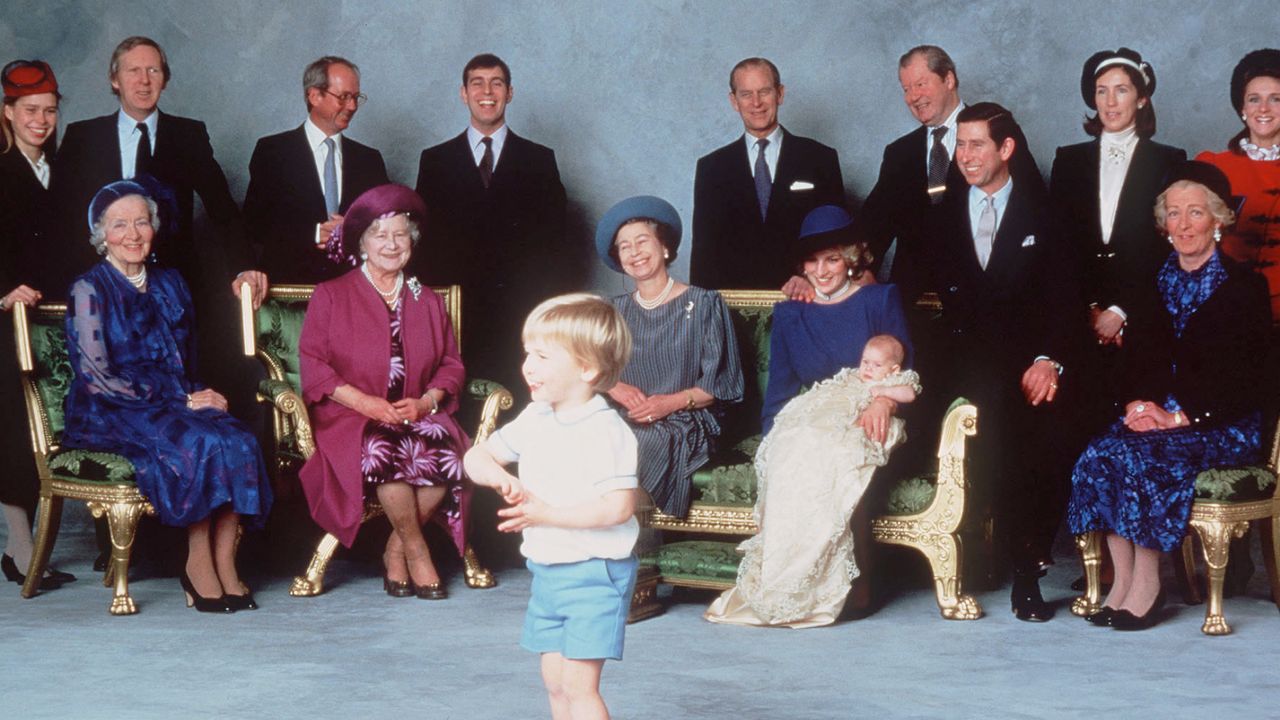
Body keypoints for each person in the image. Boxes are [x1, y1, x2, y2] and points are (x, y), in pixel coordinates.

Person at [1068, 162, 1269, 631]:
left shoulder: (1245, 288)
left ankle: (1147, 584)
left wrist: (1179, 417)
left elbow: (1246, 378)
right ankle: (1122, 583)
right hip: (1157, 417)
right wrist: (1137, 405)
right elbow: (1135, 361)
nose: (1182, 225)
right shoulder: (1152, 282)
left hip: (1223, 424)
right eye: (1173, 214)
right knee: (1100, 453)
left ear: (1218, 220)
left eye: (1194, 213)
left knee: (1142, 457)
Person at [62, 179, 272, 612]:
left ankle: (225, 561)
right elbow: (98, 377)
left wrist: (196, 394)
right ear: (102, 234)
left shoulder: (171, 282)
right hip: (111, 408)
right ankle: (197, 563)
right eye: (120, 225)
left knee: (239, 439)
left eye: (142, 222)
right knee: (201, 442)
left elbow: (185, 358)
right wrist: (183, 399)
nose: (133, 234)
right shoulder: (89, 290)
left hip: (175, 396)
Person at [930, 103, 1085, 622]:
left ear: (1006, 149)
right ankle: (983, 557)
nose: (965, 156)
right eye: (960, 145)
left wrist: (1049, 360)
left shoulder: (1048, 213)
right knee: (994, 416)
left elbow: (1067, 299)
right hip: (964, 358)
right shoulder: (940, 210)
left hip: (1030, 358)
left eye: (976, 145)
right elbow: (909, 278)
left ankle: (1028, 569)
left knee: (1050, 427)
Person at [464, 293, 637, 720]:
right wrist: (500, 475)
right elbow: (475, 457)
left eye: (542, 356)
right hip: (548, 571)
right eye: (528, 353)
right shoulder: (537, 416)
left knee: (580, 688)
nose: (528, 366)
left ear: (587, 368)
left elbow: (618, 508)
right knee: (555, 684)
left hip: (595, 572)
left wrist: (546, 515)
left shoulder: (606, 430)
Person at [298, 184, 470, 599]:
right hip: (352, 416)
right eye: (380, 235)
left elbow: (451, 364)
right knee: (384, 451)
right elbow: (313, 364)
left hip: (415, 412)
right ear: (362, 243)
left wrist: (427, 401)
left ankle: (396, 550)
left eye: (400, 235)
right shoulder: (332, 295)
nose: (391, 245)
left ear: (412, 242)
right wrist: (367, 403)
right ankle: (417, 551)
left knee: (446, 454)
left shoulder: (425, 298)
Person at [706, 334, 919, 627]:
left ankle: (814, 585)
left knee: (838, 457)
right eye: (865, 362)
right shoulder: (852, 378)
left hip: (867, 426)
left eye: (876, 364)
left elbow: (908, 394)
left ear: (893, 369)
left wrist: (880, 392)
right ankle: (782, 575)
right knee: (799, 442)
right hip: (834, 420)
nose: (867, 369)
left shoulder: (898, 381)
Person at [413, 53, 569, 394]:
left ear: (509, 93)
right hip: (458, 315)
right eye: (477, 83)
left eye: (496, 83)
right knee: (459, 411)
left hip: (522, 315)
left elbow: (559, 246)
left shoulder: (539, 160)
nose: (487, 91)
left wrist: (548, 312)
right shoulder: (435, 161)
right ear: (463, 93)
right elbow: (423, 246)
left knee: (521, 410)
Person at [1050, 48, 1186, 431]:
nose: (1110, 102)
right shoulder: (1069, 160)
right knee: (1076, 424)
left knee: (1134, 421)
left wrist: (1121, 311)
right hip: (1082, 315)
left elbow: (1167, 246)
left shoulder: (1168, 160)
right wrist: (1092, 308)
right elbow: (1061, 245)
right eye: (1101, 91)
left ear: (1141, 98)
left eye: (1122, 90)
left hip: (1142, 313)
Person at [52, 36, 246, 295]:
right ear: (115, 80)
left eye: (153, 70)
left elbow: (224, 211)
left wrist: (245, 268)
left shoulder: (189, 135)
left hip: (173, 289)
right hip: (98, 287)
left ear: (164, 79)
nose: (144, 80)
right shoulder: (82, 136)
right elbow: (60, 216)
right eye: (133, 70)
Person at [594, 195, 743, 518]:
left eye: (642, 241)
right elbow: (583, 364)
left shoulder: (705, 304)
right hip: (624, 413)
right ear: (619, 259)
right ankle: (584, 543)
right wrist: (614, 387)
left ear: (664, 247)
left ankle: (632, 543)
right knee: (589, 434)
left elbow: (721, 387)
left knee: (639, 441)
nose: (634, 252)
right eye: (624, 246)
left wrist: (667, 404)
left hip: (687, 417)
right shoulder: (613, 310)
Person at [0, 59, 76, 590]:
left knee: (49, 424)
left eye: (49, 110)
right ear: (7, 112)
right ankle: (19, 542)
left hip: (56, 316)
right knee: (12, 426)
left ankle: (34, 541)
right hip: (9, 318)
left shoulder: (61, 169)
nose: (41, 119)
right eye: (30, 110)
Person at [239, 56, 389, 295]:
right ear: (314, 96)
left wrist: (355, 230)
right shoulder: (272, 152)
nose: (352, 106)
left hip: (356, 293)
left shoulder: (369, 160)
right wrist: (315, 232)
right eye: (343, 97)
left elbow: (387, 228)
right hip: (289, 294)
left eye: (356, 97)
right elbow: (255, 225)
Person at [691, 57, 844, 289]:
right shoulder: (711, 168)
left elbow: (838, 240)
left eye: (764, 91)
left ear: (780, 94)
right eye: (746, 94)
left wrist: (808, 280)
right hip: (734, 307)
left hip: (806, 298)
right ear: (734, 101)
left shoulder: (820, 159)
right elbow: (703, 254)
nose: (756, 103)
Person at [855, 45, 967, 298]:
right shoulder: (899, 154)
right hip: (912, 303)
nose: (913, 97)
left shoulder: (994, 131)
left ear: (948, 79)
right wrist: (857, 271)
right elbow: (873, 226)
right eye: (906, 89)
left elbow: (1026, 211)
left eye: (920, 84)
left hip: (980, 299)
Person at [1196, 49, 1280, 317]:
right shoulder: (1211, 167)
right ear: (1242, 108)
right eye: (1254, 99)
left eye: (1275, 99)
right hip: (1227, 312)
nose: (1263, 109)